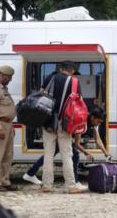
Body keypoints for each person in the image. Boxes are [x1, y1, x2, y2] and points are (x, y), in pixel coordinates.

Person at [23, 108, 110, 189]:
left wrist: (106, 153)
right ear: (92, 117)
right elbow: (76, 143)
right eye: (98, 121)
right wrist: (85, 152)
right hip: (62, 133)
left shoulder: (94, 123)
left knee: (50, 155)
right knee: (75, 155)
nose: (98, 124)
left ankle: (30, 173)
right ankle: (75, 182)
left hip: (65, 134)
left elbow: (98, 140)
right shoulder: (82, 120)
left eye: (100, 122)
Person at [40, 60, 85, 193]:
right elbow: (78, 102)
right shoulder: (75, 82)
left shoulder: (50, 77)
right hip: (65, 123)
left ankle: (47, 185)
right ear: (71, 70)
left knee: (48, 153)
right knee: (66, 154)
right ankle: (71, 186)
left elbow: (40, 94)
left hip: (48, 121)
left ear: (61, 69)